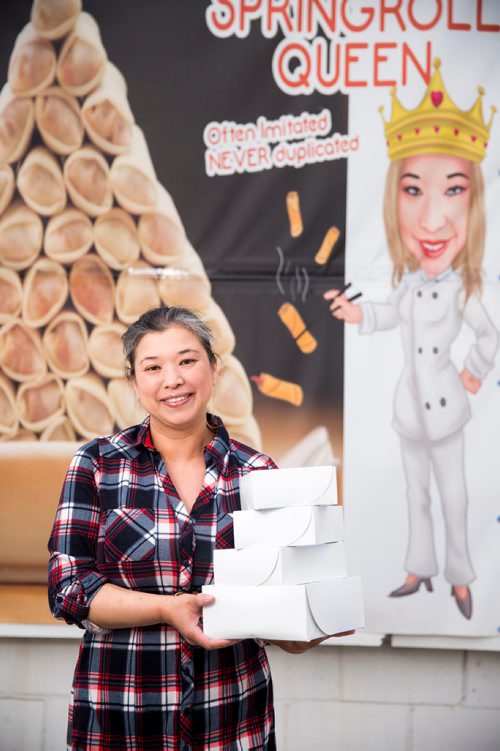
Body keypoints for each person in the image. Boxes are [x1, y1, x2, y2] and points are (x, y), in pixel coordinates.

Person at [48, 305, 347, 751]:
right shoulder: (97, 464)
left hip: (231, 718)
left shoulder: (258, 473)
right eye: (153, 367)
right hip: (122, 716)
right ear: (135, 382)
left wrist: (309, 623)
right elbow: (68, 588)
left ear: (214, 370)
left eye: (187, 360)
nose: (173, 379)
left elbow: (281, 597)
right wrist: (167, 609)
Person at [324, 59, 498, 621]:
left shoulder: (462, 290)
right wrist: (357, 313)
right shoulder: (409, 287)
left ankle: (462, 579)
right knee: (414, 494)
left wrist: (473, 369)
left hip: (447, 408)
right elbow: (387, 316)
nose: (431, 218)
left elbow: (490, 334)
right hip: (407, 409)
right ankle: (416, 569)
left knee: (455, 497)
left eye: (452, 190)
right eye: (413, 190)